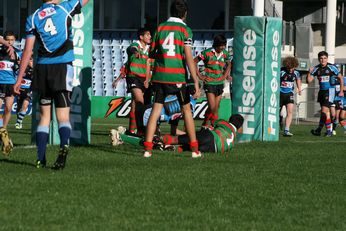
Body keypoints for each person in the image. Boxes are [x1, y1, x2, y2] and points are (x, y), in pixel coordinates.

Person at [13, 0, 90, 169]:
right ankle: (63, 147)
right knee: (63, 116)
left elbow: (27, 51)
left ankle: (40, 158)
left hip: (42, 69)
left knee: (44, 117)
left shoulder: (32, 18)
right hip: (62, 67)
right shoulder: (65, 7)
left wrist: (19, 79)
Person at [144, 0, 201, 158]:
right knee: (187, 111)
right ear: (185, 14)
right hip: (177, 77)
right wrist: (195, 80)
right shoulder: (185, 30)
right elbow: (189, 57)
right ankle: (195, 149)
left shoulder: (160, 27)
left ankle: (147, 150)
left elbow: (151, 53)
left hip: (160, 76)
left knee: (155, 111)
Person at [194, 34, 232, 129]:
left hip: (220, 83)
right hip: (209, 83)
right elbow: (194, 61)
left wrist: (225, 75)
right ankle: (212, 124)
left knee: (216, 106)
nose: (223, 47)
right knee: (212, 106)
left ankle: (206, 123)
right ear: (216, 44)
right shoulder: (207, 53)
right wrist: (200, 76)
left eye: (224, 45)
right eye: (221, 45)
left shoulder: (225, 54)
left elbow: (229, 64)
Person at [161, 114, 244, 154]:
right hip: (213, 150)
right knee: (185, 148)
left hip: (210, 136)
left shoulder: (224, 123)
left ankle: (160, 140)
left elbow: (210, 125)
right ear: (239, 127)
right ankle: (176, 149)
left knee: (177, 139)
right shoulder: (234, 141)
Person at [307, 51, 344, 137]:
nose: (323, 60)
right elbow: (309, 81)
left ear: (327, 59)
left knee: (324, 111)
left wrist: (341, 91)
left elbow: (341, 78)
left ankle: (329, 131)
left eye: (325, 58)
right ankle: (319, 130)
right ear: (319, 59)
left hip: (330, 91)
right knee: (325, 113)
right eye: (321, 58)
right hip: (321, 92)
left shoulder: (332, 67)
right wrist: (309, 72)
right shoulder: (316, 69)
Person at [125, 28, 151, 134]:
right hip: (133, 77)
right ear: (141, 37)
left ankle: (131, 130)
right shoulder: (135, 45)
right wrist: (135, 52)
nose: (150, 36)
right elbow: (131, 49)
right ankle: (141, 131)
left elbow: (148, 64)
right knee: (141, 102)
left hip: (143, 78)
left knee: (135, 104)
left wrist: (147, 79)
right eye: (148, 34)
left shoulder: (149, 49)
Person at [0, 34, 17, 155]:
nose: (9, 42)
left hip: (10, 84)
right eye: (7, 40)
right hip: (0, 83)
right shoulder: (1, 51)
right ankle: (4, 136)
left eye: (12, 40)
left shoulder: (16, 54)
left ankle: (3, 131)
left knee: (8, 109)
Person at [279, 56, 302, 137]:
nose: (291, 69)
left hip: (289, 94)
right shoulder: (281, 71)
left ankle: (286, 130)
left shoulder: (296, 73)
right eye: (289, 68)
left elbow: (298, 79)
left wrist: (299, 89)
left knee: (290, 111)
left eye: (292, 68)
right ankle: (280, 118)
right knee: (277, 112)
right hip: (280, 93)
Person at [15, 55, 34, 129]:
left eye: (31, 60)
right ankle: (19, 121)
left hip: (29, 90)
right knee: (19, 108)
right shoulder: (23, 69)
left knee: (25, 105)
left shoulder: (34, 70)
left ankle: (18, 123)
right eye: (30, 60)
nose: (31, 62)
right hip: (21, 89)